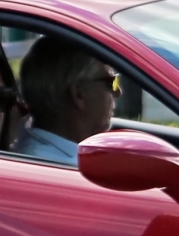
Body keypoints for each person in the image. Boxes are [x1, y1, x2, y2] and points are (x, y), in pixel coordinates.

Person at [14, 34, 120, 164]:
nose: (118, 92)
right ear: (78, 94)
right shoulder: (54, 166)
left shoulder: (40, 150)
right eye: (111, 82)